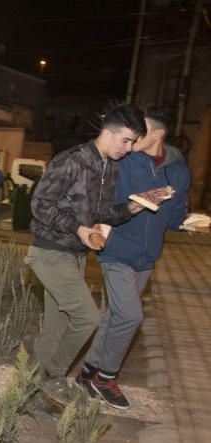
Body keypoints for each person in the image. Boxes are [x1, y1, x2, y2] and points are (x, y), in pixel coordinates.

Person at [26, 103, 171, 405]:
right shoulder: (72, 161)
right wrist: (79, 228)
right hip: (50, 251)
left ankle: (32, 391)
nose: (129, 148)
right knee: (87, 317)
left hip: (76, 256)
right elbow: (39, 204)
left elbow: (103, 212)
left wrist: (134, 205)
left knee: (57, 326)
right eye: (127, 141)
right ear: (108, 132)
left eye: (133, 142)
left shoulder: (110, 166)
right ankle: (52, 377)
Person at [76, 107, 191, 409]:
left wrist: (188, 222)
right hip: (116, 250)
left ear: (158, 134)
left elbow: (174, 214)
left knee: (117, 316)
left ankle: (88, 373)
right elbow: (100, 201)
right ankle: (106, 378)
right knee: (131, 315)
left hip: (148, 256)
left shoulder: (178, 170)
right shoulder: (122, 162)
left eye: (143, 131)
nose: (136, 135)